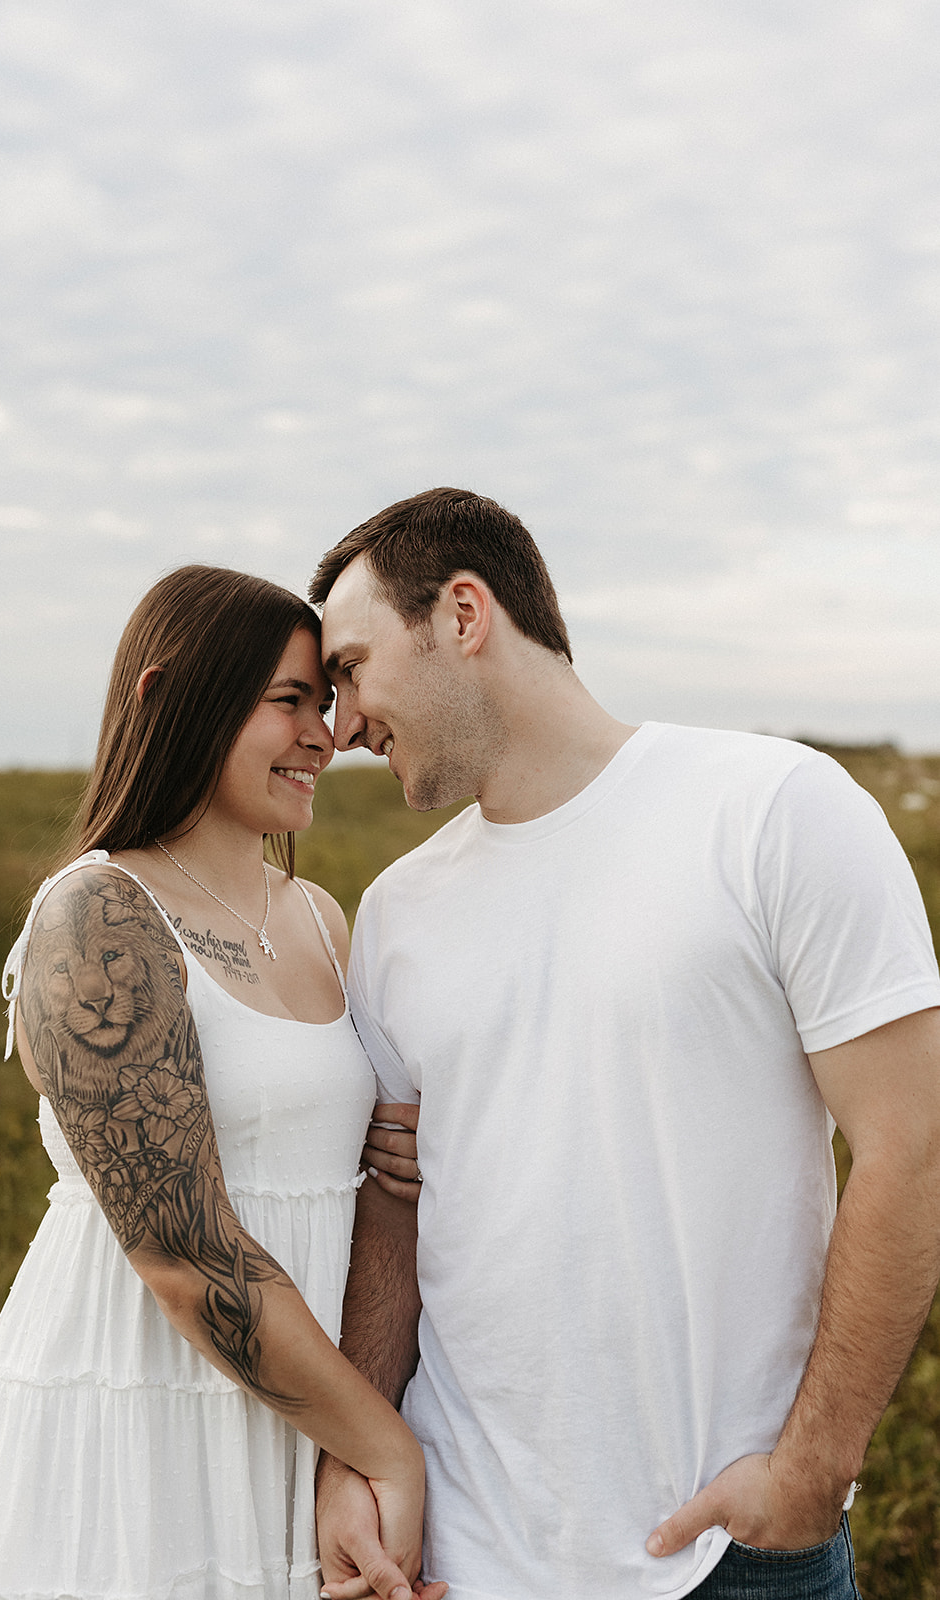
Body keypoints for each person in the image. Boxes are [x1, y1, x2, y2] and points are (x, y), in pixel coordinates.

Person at [307, 488, 940, 1600]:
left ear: (463, 614)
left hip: (725, 1551)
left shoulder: (773, 809)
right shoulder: (397, 911)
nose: (341, 723)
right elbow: (395, 1210)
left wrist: (810, 1473)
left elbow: (913, 1143)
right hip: (461, 1555)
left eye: (351, 669)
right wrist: (353, 1461)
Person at [0, 564, 436, 1600]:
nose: (324, 736)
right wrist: (389, 1449)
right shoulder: (98, 916)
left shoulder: (320, 919)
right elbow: (183, 1256)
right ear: (169, 696)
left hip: (311, 1413)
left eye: (327, 702)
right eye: (288, 701)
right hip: (138, 1411)